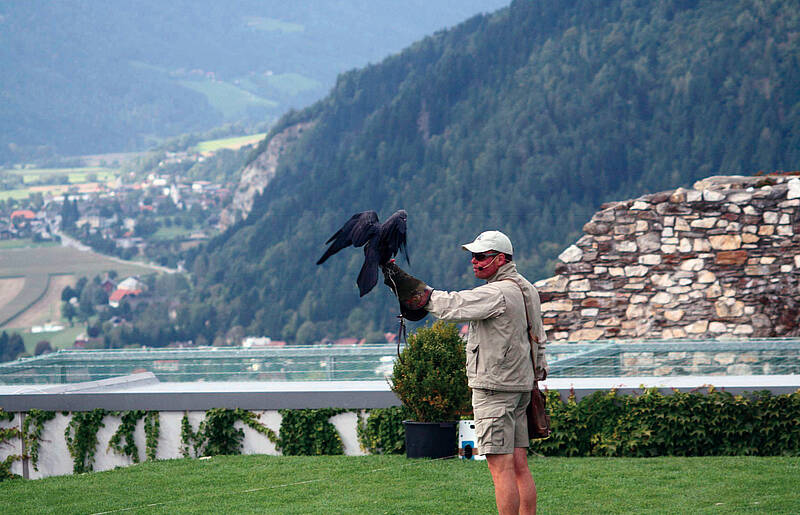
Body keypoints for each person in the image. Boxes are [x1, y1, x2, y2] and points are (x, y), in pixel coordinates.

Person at [382, 230, 547, 515]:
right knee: (519, 464)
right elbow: (539, 339)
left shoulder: (497, 292)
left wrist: (406, 283)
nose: (473, 261)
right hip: (521, 387)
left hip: (496, 390)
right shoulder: (526, 288)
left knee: (501, 468)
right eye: (472, 256)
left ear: (500, 259)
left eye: (481, 256)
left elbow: (451, 305)